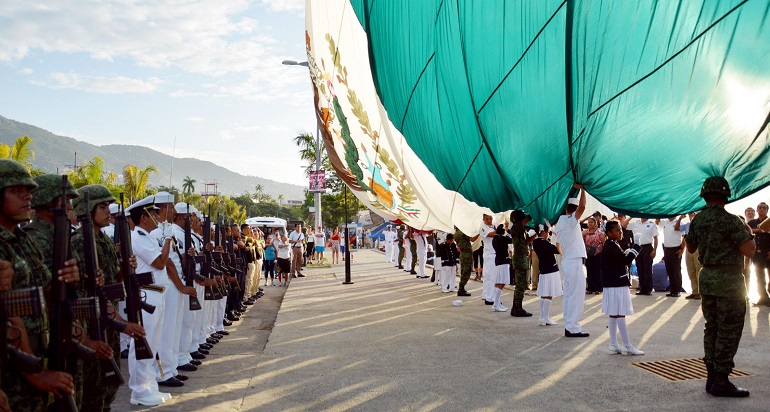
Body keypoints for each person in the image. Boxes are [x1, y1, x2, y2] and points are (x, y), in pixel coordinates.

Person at [0, 163, 79, 410]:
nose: (28, 196)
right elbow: (10, 318)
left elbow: (45, 294)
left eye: (29, 190)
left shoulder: (22, 240)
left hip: (35, 358)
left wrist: (66, 280)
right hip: (14, 372)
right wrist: (36, 374)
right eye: (16, 190)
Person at [685, 176, 754, 397]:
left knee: (712, 328)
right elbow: (749, 250)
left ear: (705, 195)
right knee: (729, 329)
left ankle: (711, 377)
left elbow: (691, 248)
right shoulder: (732, 221)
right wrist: (747, 231)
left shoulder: (698, 220)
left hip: (708, 279)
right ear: (725, 195)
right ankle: (722, 381)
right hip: (729, 281)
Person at [125, 194, 172, 406]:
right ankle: (139, 391)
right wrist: (168, 239)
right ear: (143, 218)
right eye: (153, 214)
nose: (157, 217)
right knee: (142, 344)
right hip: (147, 295)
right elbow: (161, 263)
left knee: (153, 343)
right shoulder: (138, 238)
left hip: (156, 293)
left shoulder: (147, 237)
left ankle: (149, 385)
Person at [601, 221, 644, 356]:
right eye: (617, 231)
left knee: (614, 314)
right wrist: (636, 247)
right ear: (609, 233)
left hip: (612, 283)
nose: (620, 232)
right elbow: (625, 261)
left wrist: (627, 252)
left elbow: (620, 259)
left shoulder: (611, 245)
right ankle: (628, 345)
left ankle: (613, 344)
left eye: (620, 230)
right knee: (620, 314)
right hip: (617, 283)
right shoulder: (611, 245)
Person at [554, 185, 590, 338]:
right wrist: (583, 189)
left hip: (568, 262)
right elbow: (582, 206)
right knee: (576, 296)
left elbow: (573, 235)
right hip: (574, 263)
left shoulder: (561, 222)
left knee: (569, 296)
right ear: (573, 210)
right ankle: (573, 327)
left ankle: (569, 325)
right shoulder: (570, 220)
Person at [532, 223, 561, 326]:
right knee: (548, 294)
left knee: (544, 294)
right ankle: (546, 317)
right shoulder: (544, 243)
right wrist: (558, 238)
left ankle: (542, 317)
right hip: (550, 269)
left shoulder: (535, 242)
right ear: (543, 232)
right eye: (547, 232)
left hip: (544, 270)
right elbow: (557, 250)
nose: (548, 234)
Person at [621, 216, 658, 295]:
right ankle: (642, 288)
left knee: (647, 269)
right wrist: (631, 216)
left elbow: (655, 238)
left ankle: (648, 289)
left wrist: (654, 250)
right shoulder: (636, 223)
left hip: (647, 247)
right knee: (640, 268)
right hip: (637, 247)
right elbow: (623, 225)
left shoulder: (651, 224)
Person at [509, 210, 534, 317]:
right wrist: (534, 210)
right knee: (521, 284)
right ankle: (517, 308)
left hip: (522, 258)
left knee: (521, 284)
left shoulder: (520, 229)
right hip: (520, 259)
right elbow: (527, 219)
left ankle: (516, 307)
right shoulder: (515, 227)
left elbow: (527, 241)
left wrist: (536, 233)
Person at [747, 202, 770, 306]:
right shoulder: (752, 222)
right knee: (759, 277)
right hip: (757, 254)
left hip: (768, 253)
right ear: (757, 210)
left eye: (764, 208)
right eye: (760, 208)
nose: (761, 209)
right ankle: (763, 297)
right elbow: (748, 231)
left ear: (767, 210)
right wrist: (761, 229)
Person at [657, 215, 685, 297]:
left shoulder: (680, 223)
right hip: (667, 249)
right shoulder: (665, 222)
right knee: (669, 271)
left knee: (676, 270)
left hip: (676, 249)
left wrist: (682, 249)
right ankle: (672, 290)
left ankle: (678, 290)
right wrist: (659, 212)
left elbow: (684, 237)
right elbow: (657, 222)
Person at [677, 212, 702, 300]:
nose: (690, 215)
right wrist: (680, 218)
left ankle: (700, 292)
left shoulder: (700, 224)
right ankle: (694, 292)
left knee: (698, 270)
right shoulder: (687, 225)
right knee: (691, 271)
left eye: (692, 213)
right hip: (688, 248)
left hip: (697, 248)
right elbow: (677, 229)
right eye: (689, 214)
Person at [491, 224, 512, 312]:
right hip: (503, 261)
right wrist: (508, 231)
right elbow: (511, 239)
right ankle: (495, 304)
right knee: (502, 282)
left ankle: (497, 303)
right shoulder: (501, 238)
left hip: (498, 261)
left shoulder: (495, 239)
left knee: (498, 283)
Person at [582, 216, 605, 294]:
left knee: (597, 271)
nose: (590, 224)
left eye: (591, 222)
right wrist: (588, 233)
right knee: (589, 271)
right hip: (588, 254)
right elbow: (580, 236)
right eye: (588, 222)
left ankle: (598, 288)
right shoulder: (585, 232)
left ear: (596, 224)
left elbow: (603, 244)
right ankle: (590, 288)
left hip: (598, 254)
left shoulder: (600, 233)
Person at [479, 214, 497, 305]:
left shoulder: (493, 226)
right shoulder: (482, 227)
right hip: (489, 254)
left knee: (488, 275)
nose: (489, 220)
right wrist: (498, 231)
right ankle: (490, 298)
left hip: (493, 253)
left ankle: (486, 294)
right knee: (490, 276)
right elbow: (490, 235)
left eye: (490, 218)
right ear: (483, 219)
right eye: (487, 219)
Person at [454, 228, 473, 296]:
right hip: (467, 254)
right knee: (467, 271)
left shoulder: (456, 234)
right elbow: (472, 239)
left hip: (463, 253)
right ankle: (461, 288)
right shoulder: (463, 232)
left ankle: (461, 288)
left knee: (463, 271)